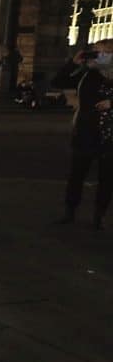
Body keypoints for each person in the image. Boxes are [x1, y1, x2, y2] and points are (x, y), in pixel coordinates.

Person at [57, 41, 113, 230]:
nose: (95, 56)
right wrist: (74, 63)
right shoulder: (88, 74)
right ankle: (70, 211)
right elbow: (59, 82)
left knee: (107, 178)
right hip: (86, 131)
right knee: (77, 173)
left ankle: (99, 216)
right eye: (94, 52)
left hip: (109, 135)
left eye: (101, 52)